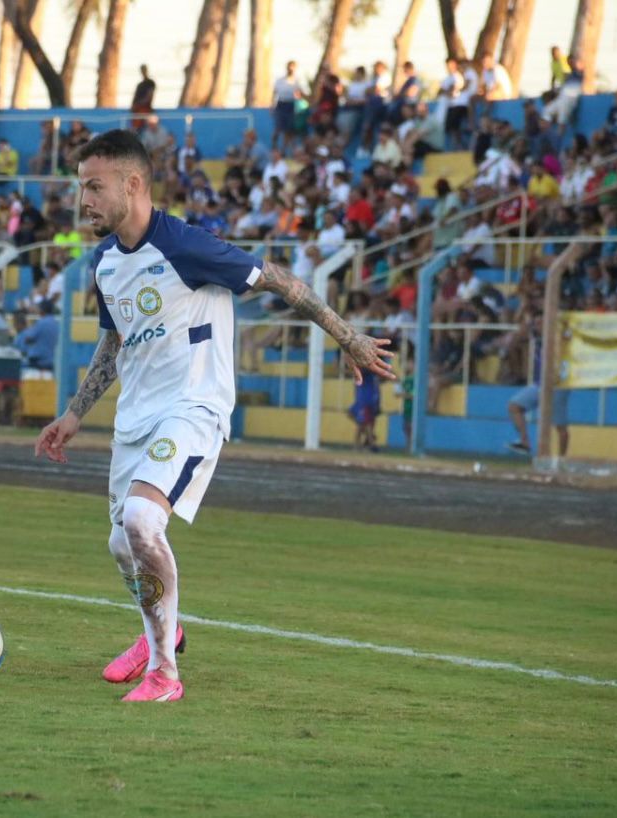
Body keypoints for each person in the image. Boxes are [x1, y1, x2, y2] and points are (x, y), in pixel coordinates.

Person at [34, 130, 394, 702]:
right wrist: (75, 414)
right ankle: (164, 633)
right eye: (81, 187)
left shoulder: (186, 246)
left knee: (141, 522)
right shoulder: (104, 264)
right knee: (122, 546)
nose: (84, 200)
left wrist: (347, 337)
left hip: (193, 407)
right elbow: (114, 342)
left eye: (94, 187)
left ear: (132, 184)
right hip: (135, 419)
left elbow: (279, 281)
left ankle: (164, 677)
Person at [507, 314, 569, 457]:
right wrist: (527, 325)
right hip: (541, 382)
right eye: (536, 323)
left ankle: (561, 459)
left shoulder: (560, 339)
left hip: (559, 384)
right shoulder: (537, 338)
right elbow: (514, 340)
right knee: (514, 405)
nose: (537, 325)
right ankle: (525, 442)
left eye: (540, 323)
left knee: (560, 426)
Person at [15, 300, 58, 370]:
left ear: (42, 310)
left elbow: (28, 338)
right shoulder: (55, 323)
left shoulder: (41, 323)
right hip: (50, 360)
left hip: (38, 361)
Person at [271, 60, 303, 153]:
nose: (291, 70)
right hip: (281, 103)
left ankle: (283, 151)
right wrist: (272, 105)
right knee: (278, 127)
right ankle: (274, 147)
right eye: (290, 67)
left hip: (290, 104)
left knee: (288, 130)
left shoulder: (296, 81)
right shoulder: (280, 80)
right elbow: (274, 92)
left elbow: (299, 93)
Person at [131, 64, 155, 129]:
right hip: (137, 109)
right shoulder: (140, 85)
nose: (143, 72)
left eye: (144, 70)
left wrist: (139, 104)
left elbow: (149, 96)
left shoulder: (150, 83)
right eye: (142, 70)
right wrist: (134, 106)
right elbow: (135, 97)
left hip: (145, 108)